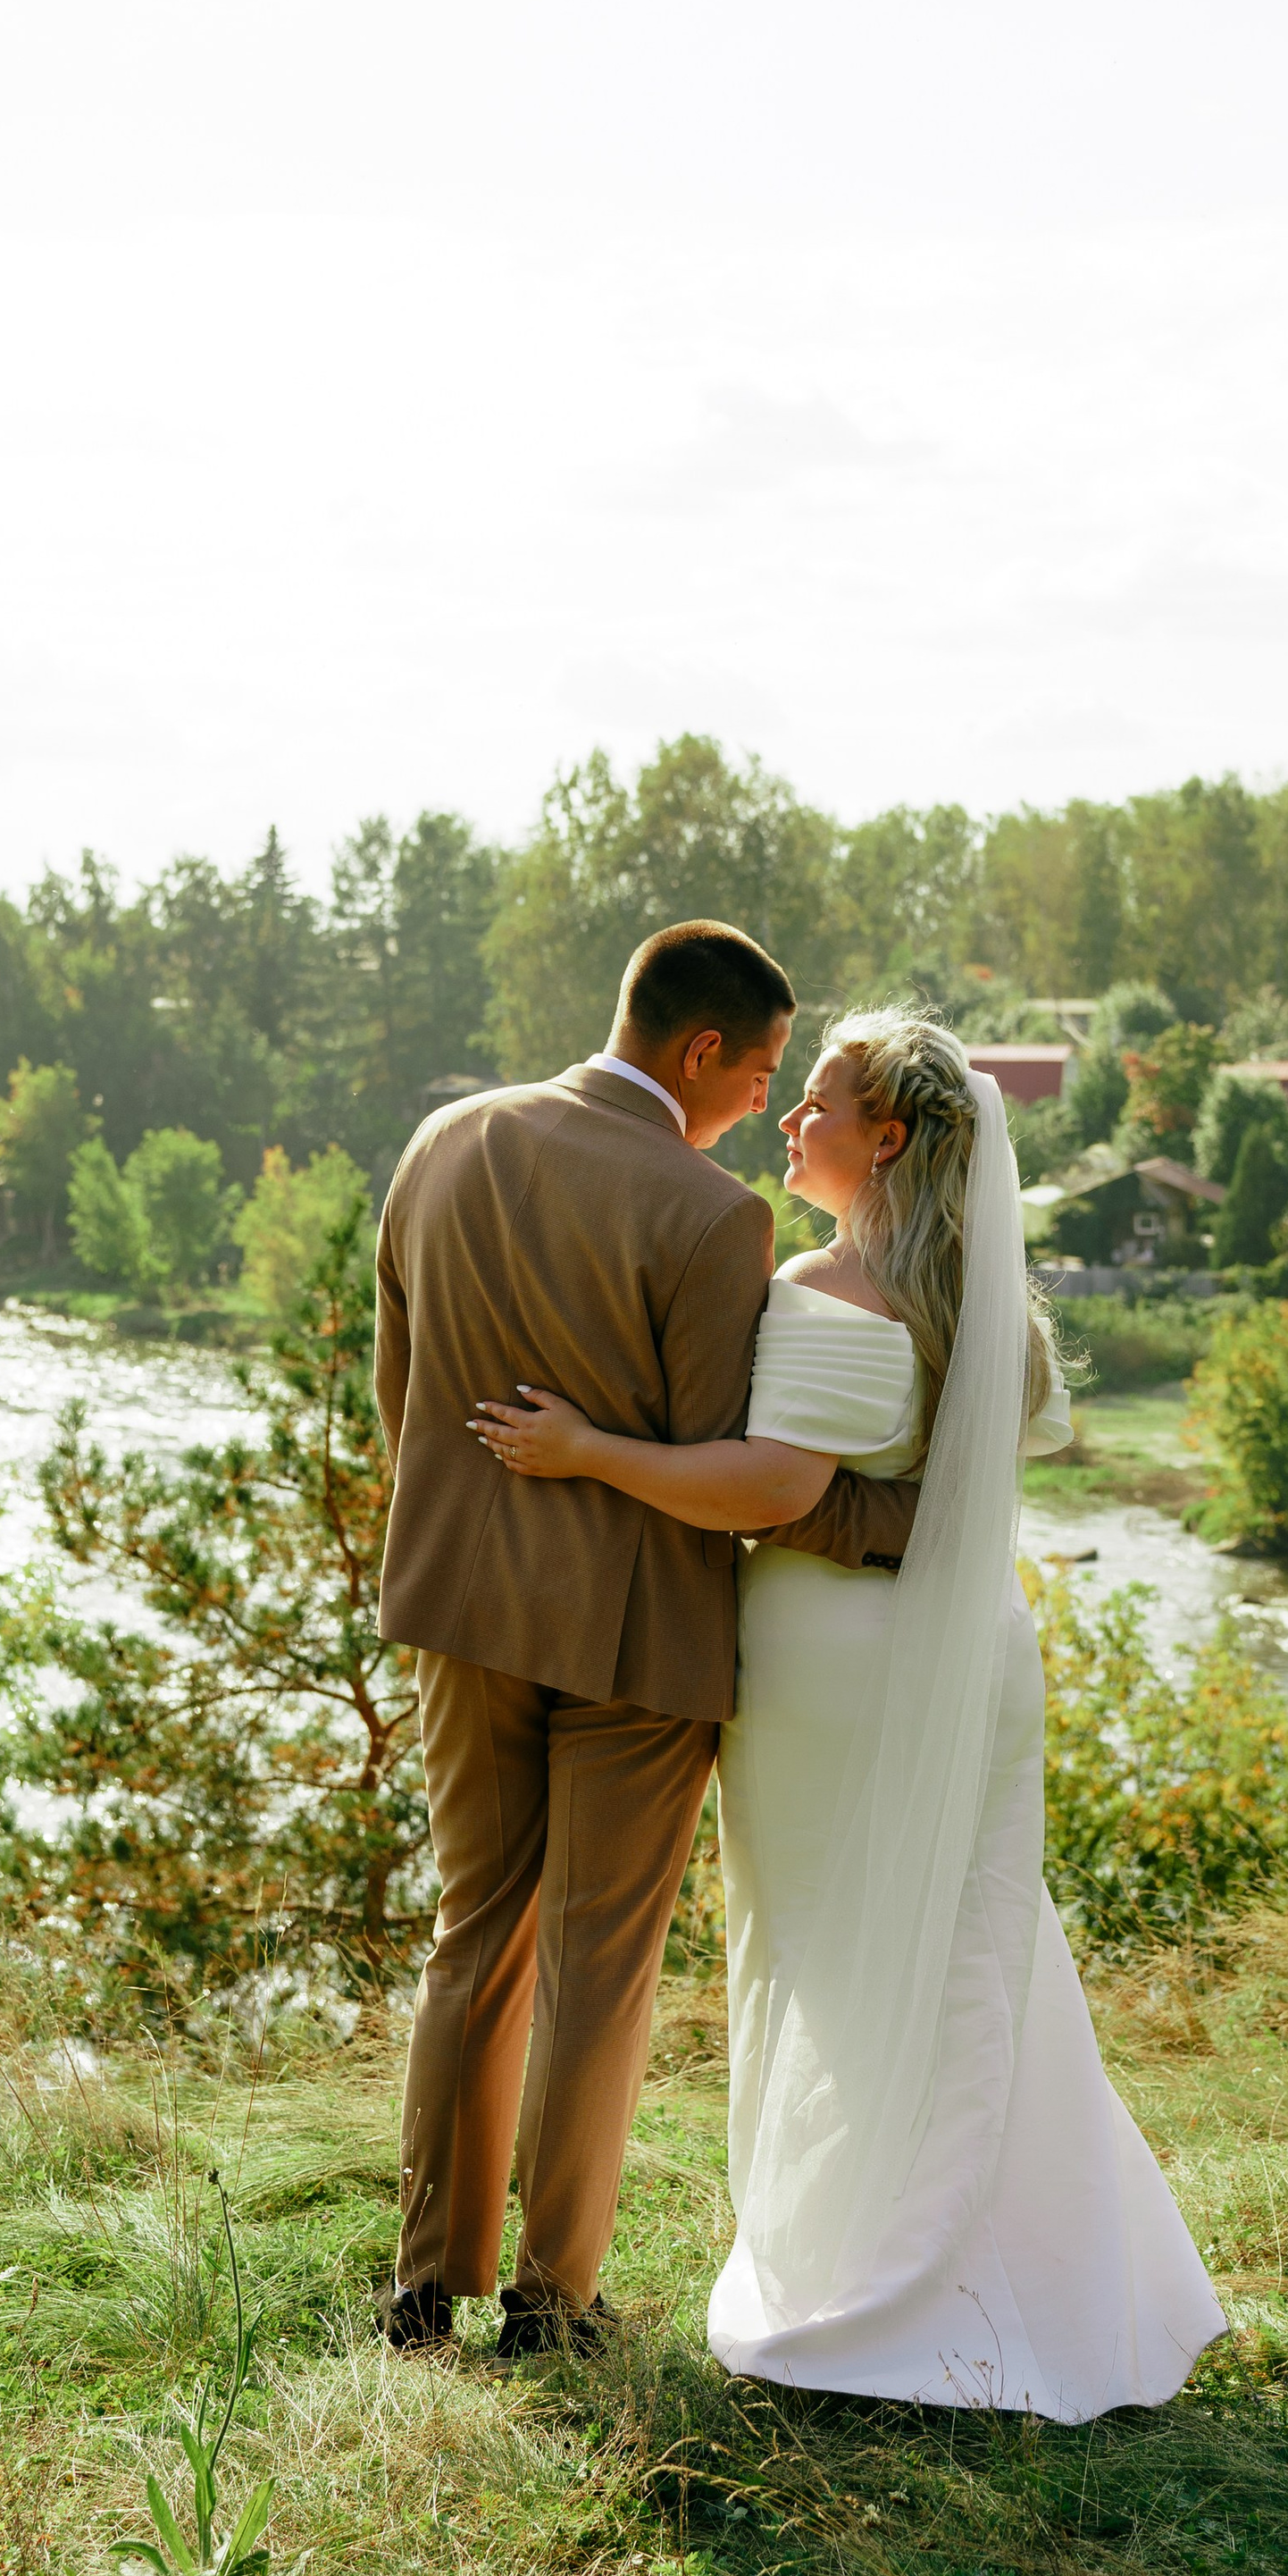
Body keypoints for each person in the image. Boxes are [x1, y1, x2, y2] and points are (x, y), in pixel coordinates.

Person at [472, 1009, 1225, 2421]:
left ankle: (877, 2282)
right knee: (971, 1953)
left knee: (827, 1958)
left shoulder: (825, 1285)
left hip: (835, 1677)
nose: (786, 1120)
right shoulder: (984, 1297)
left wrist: (587, 1452)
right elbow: (955, 1482)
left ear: (885, 1135)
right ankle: (1054, 2278)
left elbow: (770, 1488)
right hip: (971, 1658)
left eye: (814, 1101)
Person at [372, 924, 924, 2360]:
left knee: (472, 1932)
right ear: (698, 1054)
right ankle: (551, 2306)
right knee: (597, 1963)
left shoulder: (440, 1141)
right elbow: (721, 1462)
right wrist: (891, 1523)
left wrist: (474, 1542)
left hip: (459, 1610)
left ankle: (423, 2284)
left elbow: (404, 1388)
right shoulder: (710, 1218)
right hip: (633, 1635)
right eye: (756, 1078)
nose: (764, 1107)